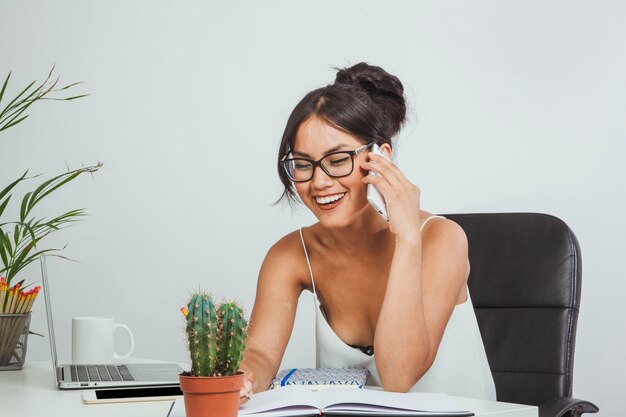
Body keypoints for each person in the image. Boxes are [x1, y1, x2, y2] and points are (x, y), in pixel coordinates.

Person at [238, 62, 496, 402]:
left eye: (337, 159)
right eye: (302, 164)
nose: (318, 181)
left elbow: (398, 376)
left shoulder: (442, 238)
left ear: (380, 158)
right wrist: (243, 379)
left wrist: (406, 239)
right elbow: (260, 354)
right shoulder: (291, 254)